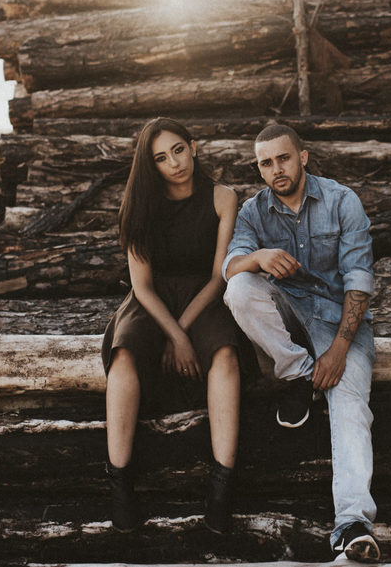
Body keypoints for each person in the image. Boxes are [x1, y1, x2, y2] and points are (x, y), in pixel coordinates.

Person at [222, 124, 380, 562]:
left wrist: (339, 351)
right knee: (240, 289)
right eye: (266, 163)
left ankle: (353, 525)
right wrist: (257, 257)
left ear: (303, 157)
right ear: (259, 168)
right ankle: (298, 375)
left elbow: (359, 280)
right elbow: (230, 268)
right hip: (288, 317)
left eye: (284, 158)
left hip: (337, 322)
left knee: (350, 404)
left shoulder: (341, 200)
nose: (277, 169)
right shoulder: (253, 211)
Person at [101, 117, 243, 534]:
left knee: (225, 355)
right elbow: (142, 287)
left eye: (178, 150)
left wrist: (183, 331)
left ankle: (222, 488)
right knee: (123, 356)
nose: (174, 163)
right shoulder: (139, 204)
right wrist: (175, 336)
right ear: (152, 166)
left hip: (204, 294)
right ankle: (120, 486)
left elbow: (218, 277)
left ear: (193, 147)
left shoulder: (222, 197)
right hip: (152, 299)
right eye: (161, 158)